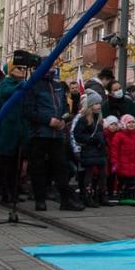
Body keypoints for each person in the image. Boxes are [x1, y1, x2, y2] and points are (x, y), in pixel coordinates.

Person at [25, 68, 83, 212]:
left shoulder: (58, 86)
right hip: (39, 134)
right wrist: (47, 120)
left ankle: (65, 200)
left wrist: (63, 119)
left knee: (61, 167)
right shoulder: (33, 86)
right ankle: (40, 200)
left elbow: (64, 106)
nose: (51, 69)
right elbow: (28, 111)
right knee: (38, 168)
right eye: (48, 66)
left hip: (57, 135)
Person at [0, 62, 30, 204]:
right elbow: (6, 92)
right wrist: (22, 85)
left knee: (17, 163)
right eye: (18, 68)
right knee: (6, 162)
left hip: (20, 129)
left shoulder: (22, 83)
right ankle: (4, 191)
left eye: (22, 68)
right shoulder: (6, 83)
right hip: (8, 129)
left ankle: (13, 190)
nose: (22, 70)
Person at [73, 92, 108, 207]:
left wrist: (102, 140)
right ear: (90, 105)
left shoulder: (99, 118)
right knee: (89, 173)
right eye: (96, 103)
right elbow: (77, 134)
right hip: (89, 150)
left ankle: (101, 194)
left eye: (99, 103)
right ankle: (87, 196)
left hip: (99, 151)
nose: (99, 105)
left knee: (102, 173)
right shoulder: (84, 119)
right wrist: (92, 140)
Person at [111, 114, 135, 205]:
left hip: (134, 164)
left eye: (133, 122)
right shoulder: (119, 136)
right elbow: (114, 150)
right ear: (123, 124)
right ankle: (122, 195)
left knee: (132, 182)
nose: (131, 124)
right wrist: (114, 162)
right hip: (122, 165)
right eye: (129, 123)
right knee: (123, 182)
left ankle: (130, 195)